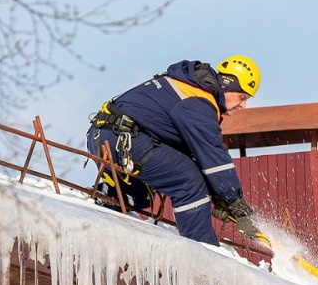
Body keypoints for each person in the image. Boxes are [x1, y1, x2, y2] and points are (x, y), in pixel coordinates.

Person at [87, 55, 262, 246]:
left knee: (143, 197)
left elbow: (193, 155)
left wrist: (219, 196)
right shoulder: (199, 101)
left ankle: (111, 194)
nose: (243, 106)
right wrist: (237, 204)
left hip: (105, 136)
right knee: (189, 182)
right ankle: (204, 252)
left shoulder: (189, 89)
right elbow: (214, 157)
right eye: (242, 97)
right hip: (125, 139)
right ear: (227, 86)